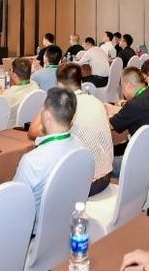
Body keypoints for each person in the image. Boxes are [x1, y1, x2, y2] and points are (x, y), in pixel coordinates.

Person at [29, 64, 114, 196]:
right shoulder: (97, 102)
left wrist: (48, 103)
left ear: (59, 85)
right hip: (106, 176)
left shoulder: (65, 108)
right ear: (81, 81)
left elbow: (32, 132)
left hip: (85, 184)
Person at [14, 87, 80, 214]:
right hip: (68, 216)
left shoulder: (32, 161)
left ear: (47, 116)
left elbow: (16, 204)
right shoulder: (81, 147)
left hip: (35, 223)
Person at [1, 57, 39, 124]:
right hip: (30, 124)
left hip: (11, 128)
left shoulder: (8, 94)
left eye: (11, 70)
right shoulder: (35, 85)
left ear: (15, 75)